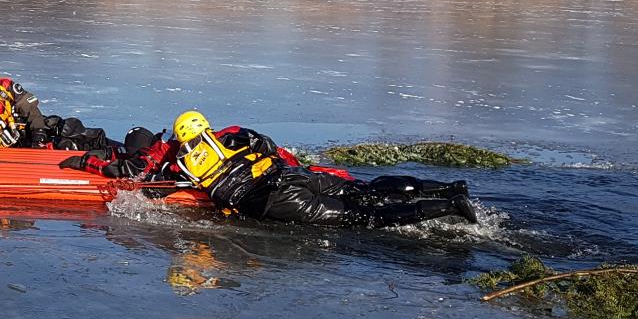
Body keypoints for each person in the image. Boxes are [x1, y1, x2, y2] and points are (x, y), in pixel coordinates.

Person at [64, 111, 479, 229]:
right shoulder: (228, 135)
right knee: (365, 190)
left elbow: (148, 188)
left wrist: (100, 171)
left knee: (362, 218)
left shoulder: (180, 162)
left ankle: (448, 206)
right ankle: (444, 186)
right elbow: (265, 143)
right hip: (288, 176)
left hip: (273, 199)